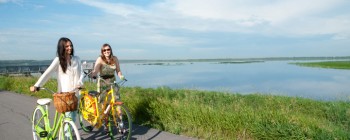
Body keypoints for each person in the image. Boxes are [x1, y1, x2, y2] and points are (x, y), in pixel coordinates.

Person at [30, 37, 84, 132]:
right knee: (68, 118)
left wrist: (80, 83)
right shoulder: (58, 60)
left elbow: (82, 73)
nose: (70, 48)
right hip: (64, 95)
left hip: (75, 93)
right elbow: (48, 73)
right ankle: (66, 137)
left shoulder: (77, 59)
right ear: (62, 47)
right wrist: (37, 85)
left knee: (73, 117)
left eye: (70, 45)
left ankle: (67, 135)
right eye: (67, 46)